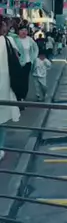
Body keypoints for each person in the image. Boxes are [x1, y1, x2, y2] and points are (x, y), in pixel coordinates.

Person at [0, 18, 20, 161]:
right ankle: (0, 148)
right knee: (2, 118)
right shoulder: (8, 41)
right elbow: (17, 59)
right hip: (4, 83)